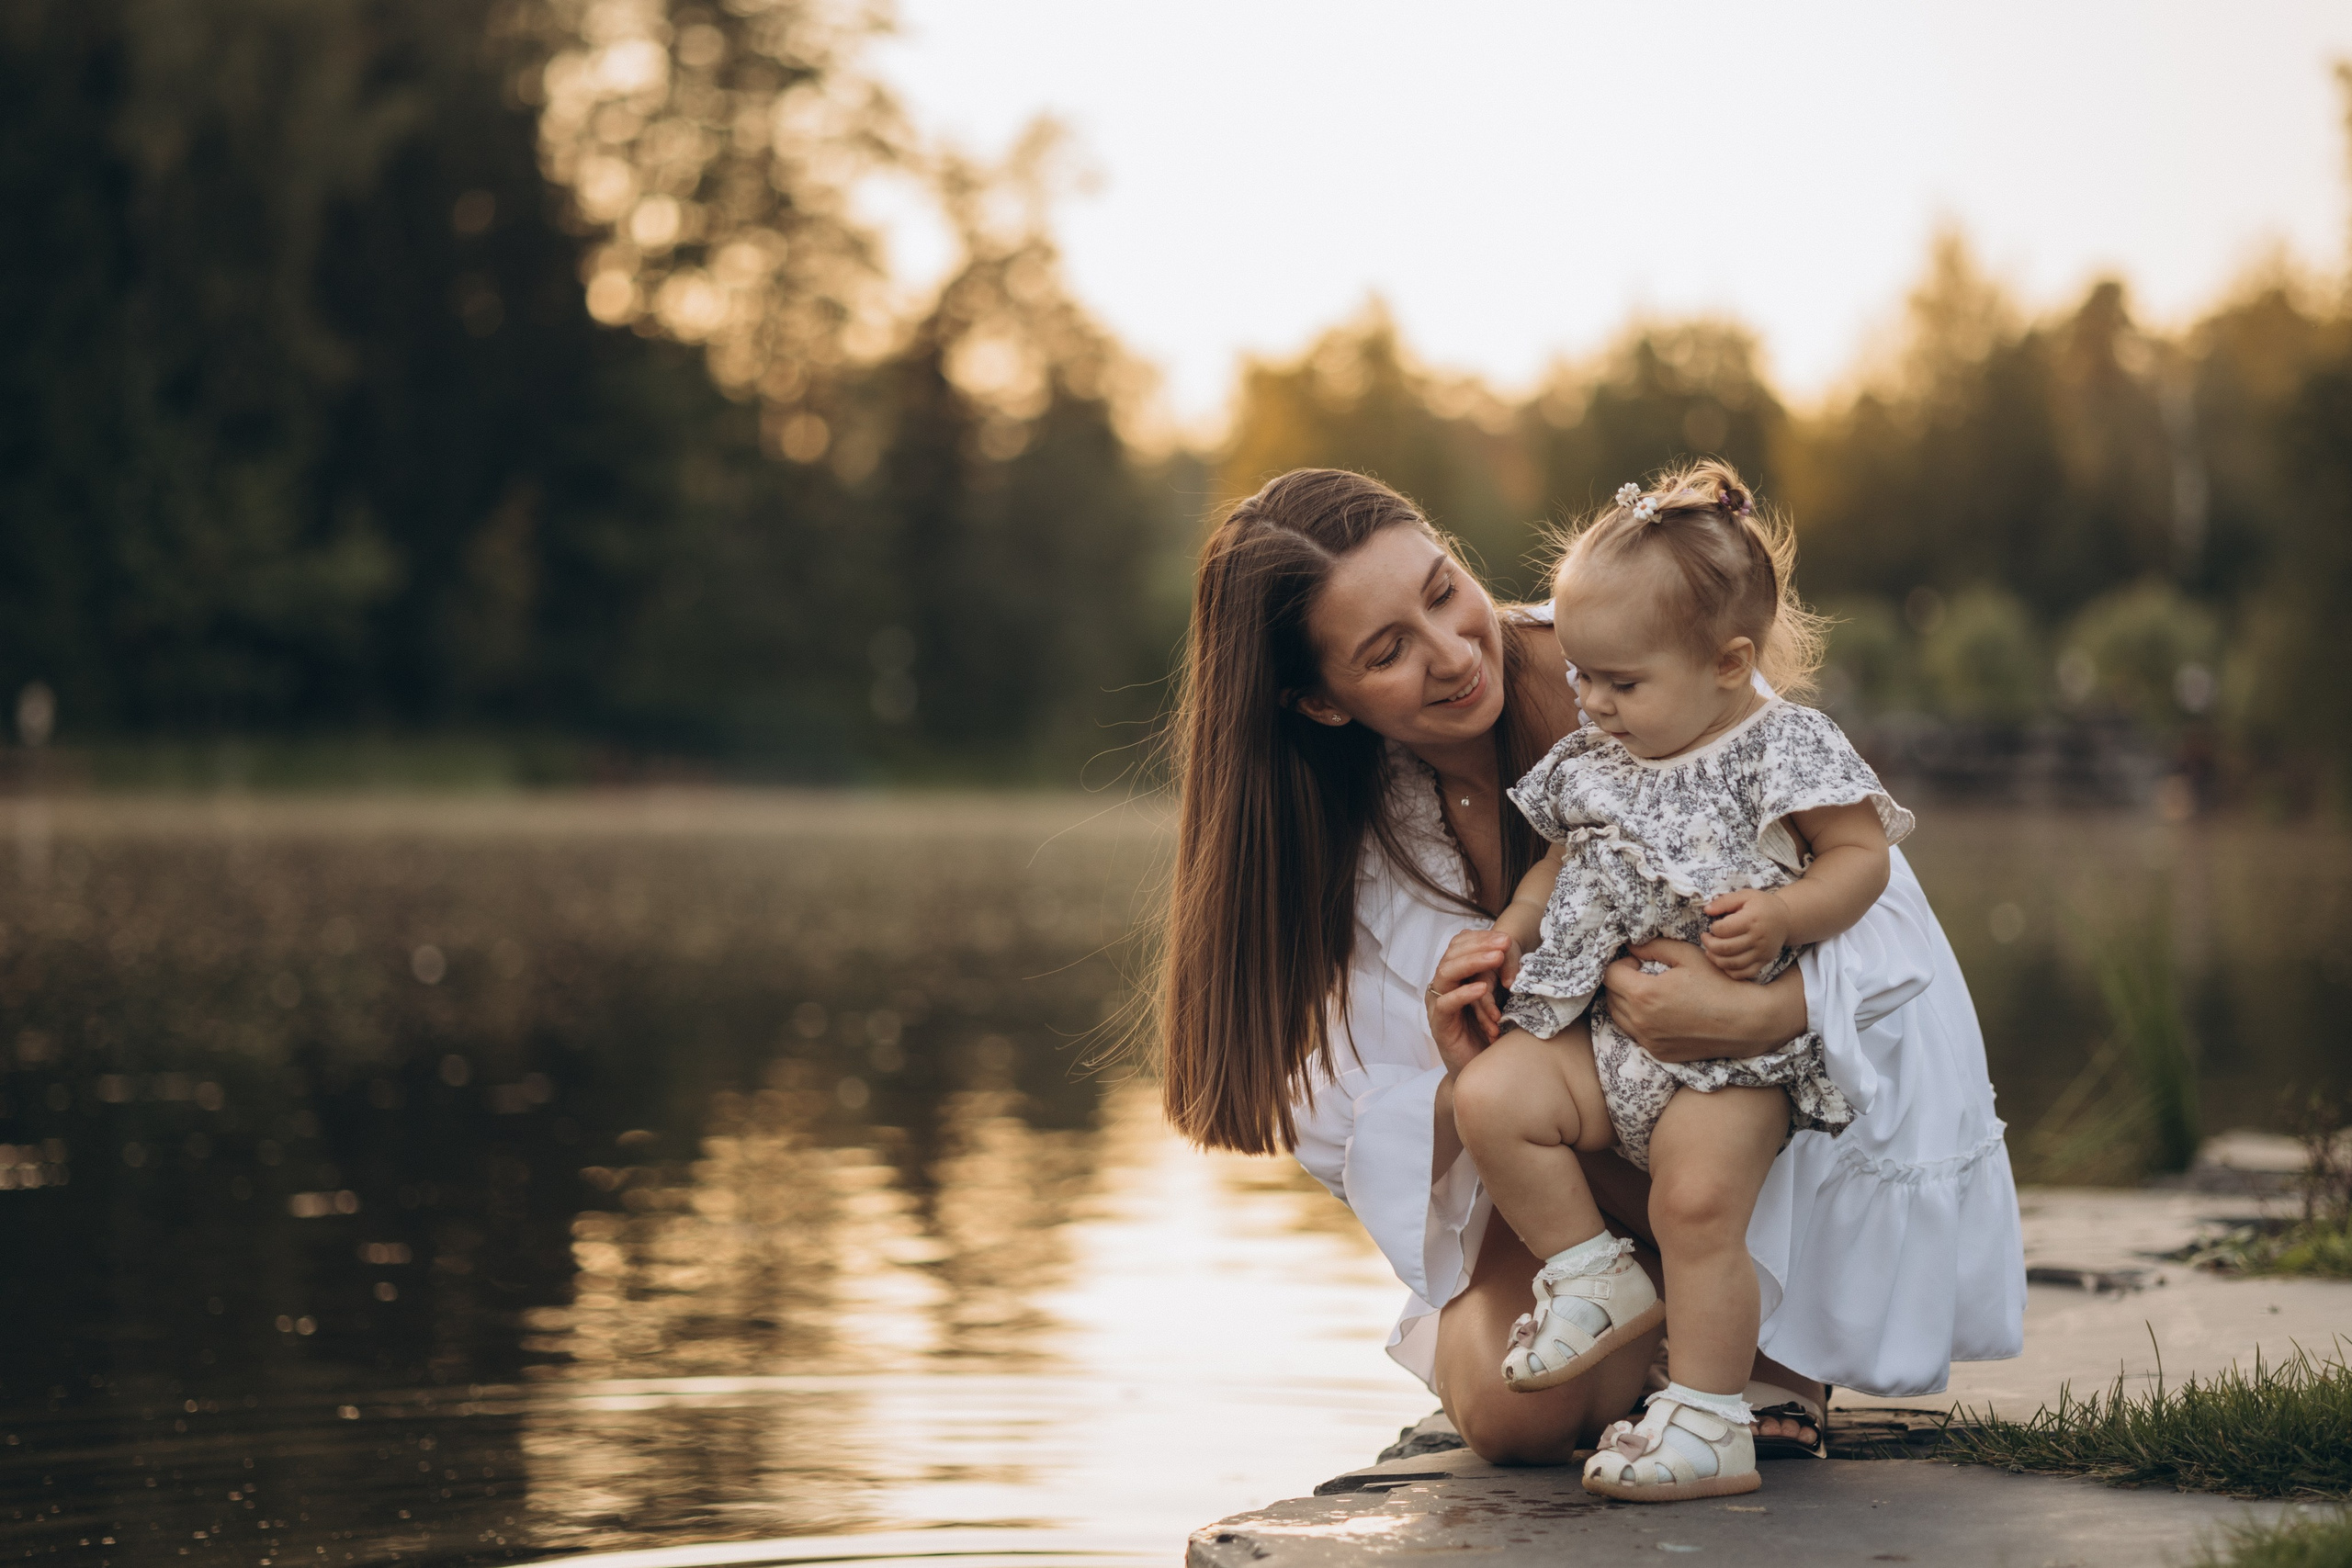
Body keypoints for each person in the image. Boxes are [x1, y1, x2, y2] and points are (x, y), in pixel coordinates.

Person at [1155, 467, 2024, 1469]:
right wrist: (1459, 1068)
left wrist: (1757, 1015)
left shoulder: (1641, 661)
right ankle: (1644, 1303)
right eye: (1387, 652)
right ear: (1318, 702)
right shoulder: (1344, 819)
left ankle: (1751, 1340)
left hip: (1747, 1112)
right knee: (1508, 1414)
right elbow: (1330, 1116)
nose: (1452, 655)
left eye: (1442, 592)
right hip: (1583, 1144)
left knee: (1701, 1169)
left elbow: (1886, 919)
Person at [1428, 460, 1933, 1502]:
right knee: (1489, 1094)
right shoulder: (1595, 758)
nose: (1592, 703)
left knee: (1696, 1206)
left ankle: (1709, 1417)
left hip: (1733, 1060)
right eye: (1581, 677)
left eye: (1621, 682)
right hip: (1604, 1038)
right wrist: (1512, 930)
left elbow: (1861, 859)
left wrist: (1786, 914)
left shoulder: (1782, 748)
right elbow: (1558, 863)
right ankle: (1589, 1273)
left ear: (1727, 662)